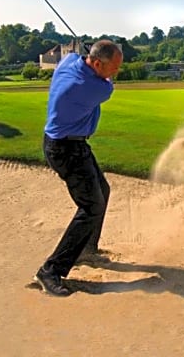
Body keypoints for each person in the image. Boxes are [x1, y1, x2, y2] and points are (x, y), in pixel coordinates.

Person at [33, 39, 123, 297]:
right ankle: (51, 270)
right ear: (96, 63)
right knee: (91, 207)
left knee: (101, 191)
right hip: (66, 150)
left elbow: (75, 57)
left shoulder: (68, 63)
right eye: (113, 68)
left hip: (69, 144)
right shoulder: (91, 88)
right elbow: (108, 87)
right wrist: (104, 75)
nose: (115, 72)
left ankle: (85, 250)